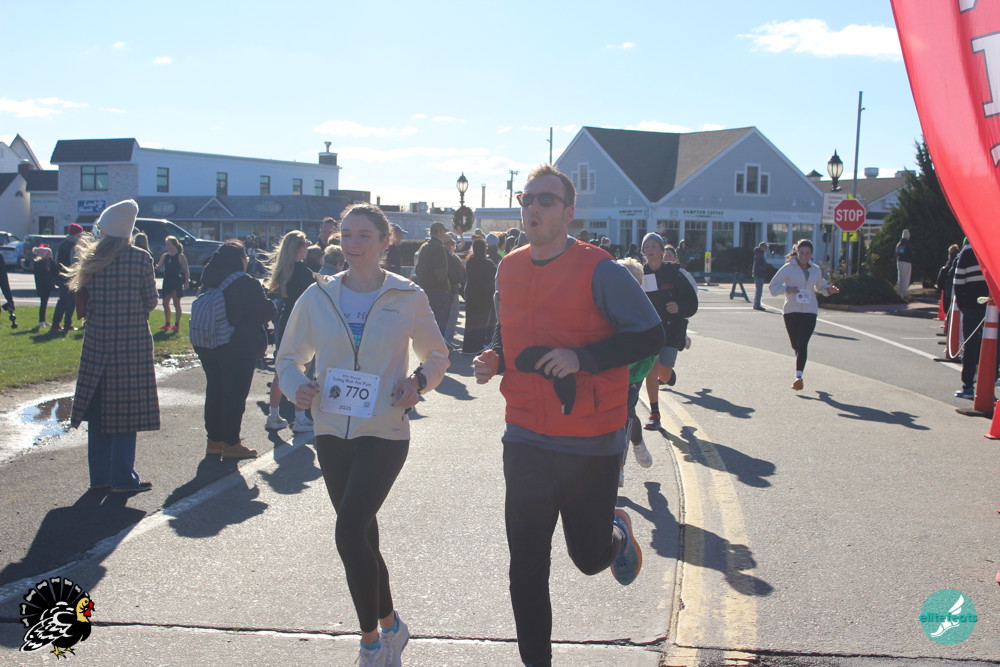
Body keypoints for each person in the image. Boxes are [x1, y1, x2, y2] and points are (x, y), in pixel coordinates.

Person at [472, 165, 663, 667]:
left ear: (569, 211)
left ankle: (614, 533)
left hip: (589, 440)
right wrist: (495, 357)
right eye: (527, 198)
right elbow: (508, 331)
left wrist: (584, 359)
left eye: (546, 199)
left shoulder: (601, 270)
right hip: (525, 436)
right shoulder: (508, 268)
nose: (533, 207)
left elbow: (650, 335)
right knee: (526, 566)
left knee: (588, 558)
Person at [277, 203, 449, 667]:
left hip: (385, 430)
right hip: (331, 430)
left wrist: (418, 383)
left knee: (349, 529)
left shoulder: (407, 295)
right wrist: (296, 387)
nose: (353, 244)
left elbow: (437, 355)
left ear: (385, 240)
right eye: (347, 235)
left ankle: (371, 643)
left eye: (364, 236)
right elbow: (288, 356)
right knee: (363, 537)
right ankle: (393, 626)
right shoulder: (319, 295)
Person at [67, 200, 158, 493]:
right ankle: (122, 477)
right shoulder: (140, 258)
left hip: (97, 340)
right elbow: (150, 302)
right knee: (126, 413)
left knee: (99, 410)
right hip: (130, 344)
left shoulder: (92, 259)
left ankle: (100, 477)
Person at [194, 241, 277, 459]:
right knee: (234, 395)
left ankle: (214, 441)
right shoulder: (244, 282)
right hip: (237, 347)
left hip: (208, 344)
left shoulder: (208, 281)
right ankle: (232, 443)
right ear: (240, 259)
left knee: (215, 391)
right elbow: (265, 312)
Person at [640, 235, 699, 430]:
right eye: (646, 247)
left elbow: (692, 303)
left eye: (653, 246)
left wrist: (679, 307)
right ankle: (654, 413)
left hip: (672, 329)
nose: (650, 250)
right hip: (650, 331)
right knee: (651, 369)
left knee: (664, 375)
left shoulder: (675, 273)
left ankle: (669, 374)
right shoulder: (640, 273)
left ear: (661, 250)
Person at [767, 239, 840, 391]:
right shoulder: (788, 268)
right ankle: (799, 371)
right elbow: (773, 286)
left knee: (803, 343)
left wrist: (829, 289)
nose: (804, 256)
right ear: (797, 252)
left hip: (810, 311)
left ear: (811, 254)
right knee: (796, 345)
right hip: (791, 311)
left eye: (807, 253)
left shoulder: (816, 270)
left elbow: (820, 286)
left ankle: (798, 377)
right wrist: (787, 289)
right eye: (801, 253)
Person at [264, 230, 315, 432]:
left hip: (285, 321)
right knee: (303, 369)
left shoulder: (284, 270)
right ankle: (300, 417)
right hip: (302, 323)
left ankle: (273, 414)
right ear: (300, 248)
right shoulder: (304, 273)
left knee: (283, 369)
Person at [617, 257, 656, 486]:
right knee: (617, 414)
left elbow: (653, 345)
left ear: (640, 283)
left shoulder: (645, 309)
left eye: (632, 280)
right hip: (609, 369)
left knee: (625, 414)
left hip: (634, 373)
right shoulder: (606, 301)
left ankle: (618, 468)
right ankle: (638, 440)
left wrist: (636, 372)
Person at [952, 240, 989, 398]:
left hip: (971, 304)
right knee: (992, 346)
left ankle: (968, 385)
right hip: (993, 304)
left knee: (970, 344)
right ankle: (989, 383)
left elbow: (958, 281)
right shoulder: (994, 247)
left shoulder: (967, 252)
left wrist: (962, 303)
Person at [414, 221, 451, 336]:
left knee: (428, 323)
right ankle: (439, 344)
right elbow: (440, 272)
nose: (445, 234)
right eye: (443, 231)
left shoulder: (424, 246)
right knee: (439, 324)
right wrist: (446, 288)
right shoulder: (438, 247)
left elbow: (417, 269)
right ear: (439, 232)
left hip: (425, 289)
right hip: (438, 291)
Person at [462, 238, 497, 354]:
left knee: (470, 321)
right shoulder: (488, 264)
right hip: (484, 296)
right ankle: (477, 346)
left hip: (471, 294)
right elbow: (495, 277)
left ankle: (467, 347)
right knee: (481, 322)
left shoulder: (470, 262)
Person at [51, 223, 84, 332]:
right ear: (76, 234)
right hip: (70, 277)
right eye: (80, 233)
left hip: (61, 276)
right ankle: (67, 324)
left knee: (62, 301)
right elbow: (75, 263)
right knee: (71, 302)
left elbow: (56, 260)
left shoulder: (62, 244)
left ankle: (55, 323)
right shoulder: (74, 246)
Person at [155, 236, 190, 332]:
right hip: (167, 280)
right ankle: (167, 324)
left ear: (174, 244)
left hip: (176, 281)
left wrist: (187, 282)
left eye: (169, 244)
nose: (167, 246)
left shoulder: (180, 256)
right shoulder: (165, 256)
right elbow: (159, 266)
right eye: (166, 244)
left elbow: (186, 270)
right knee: (165, 303)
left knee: (176, 303)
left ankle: (177, 325)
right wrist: (154, 265)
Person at [444, 233, 465, 349]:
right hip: (452, 290)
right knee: (452, 317)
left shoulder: (438, 256)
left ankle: (444, 341)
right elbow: (456, 275)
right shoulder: (451, 258)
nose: (452, 245)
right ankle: (447, 341)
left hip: (442, 291)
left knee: (443, 317)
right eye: (451, 243)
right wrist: (458, 281)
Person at [32, 246, 57, 327]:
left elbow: (55, 271)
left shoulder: (50, 262)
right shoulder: (39, 264)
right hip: (42, 287)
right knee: (43, 303)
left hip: (48, 286)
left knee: (45, 303)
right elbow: (38, 278)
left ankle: (43, 320)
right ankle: (41, 320)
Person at [896, 229, 915, 299]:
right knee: (906, 278)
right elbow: (909, 253)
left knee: (900, 277)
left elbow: (898, 253)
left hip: (899, 262)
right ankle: (904, 293)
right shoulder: (907, 244)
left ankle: (899, 292)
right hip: (906, 262)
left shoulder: (899, 244)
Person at [752, 241, 769, 311]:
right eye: (765, 247)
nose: (766, 248)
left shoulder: (760, 254)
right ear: (761, 247)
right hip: (759, 275)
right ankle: (757, 305)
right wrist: (764, 268)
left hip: (759, 274)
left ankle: (756, 304)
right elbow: (757, 266)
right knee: (759, 291)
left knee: (758, 290)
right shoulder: (759, 255)